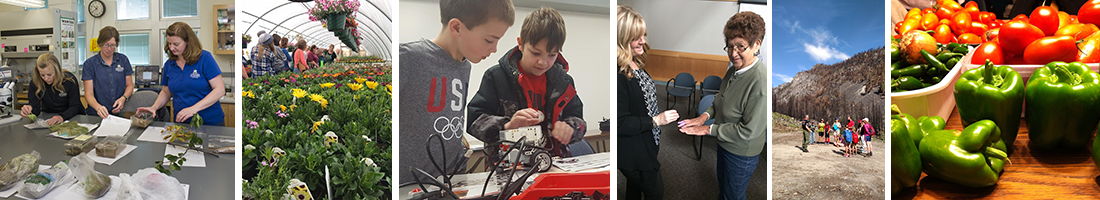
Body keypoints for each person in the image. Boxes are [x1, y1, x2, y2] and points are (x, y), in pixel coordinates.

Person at [397, 0, 514, 185]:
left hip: (452, 181)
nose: (494, 49)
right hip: (408, 185)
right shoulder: (407, 58)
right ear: (457, 27)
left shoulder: (464, 65)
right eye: (489, 40)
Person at [468, 6, 586, 159]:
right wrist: (507, 126)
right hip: (509, 167)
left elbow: (579, 120)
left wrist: (571, 128)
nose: (543, 62)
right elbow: (474, 120)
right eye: (535, 52)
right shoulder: (496, 77)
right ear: (521, 44)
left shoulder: (564, 82)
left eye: (552, 55)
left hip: (556, 163)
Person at [678, 11, 768, 200]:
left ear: (756, 45)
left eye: (740, 47)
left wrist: (706, 129)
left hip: (742, 152)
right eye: (729, 46)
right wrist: (703, 116)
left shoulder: (760, 81)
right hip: (725, 142)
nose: (733, 53)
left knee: (733, 196)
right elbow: (720, 100)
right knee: (724, 188)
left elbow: (748, 131)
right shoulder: (734, 69)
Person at [617, 5, 677, 200]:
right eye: (636, 37)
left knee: (634, 191)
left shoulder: (635, 62)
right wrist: (656, 120)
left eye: (643, 34)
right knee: (656, 192)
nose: (643, 40)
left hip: (646, 143)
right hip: (634, 153)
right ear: (621, 39)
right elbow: (621, 123)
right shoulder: (619, 73)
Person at [137, 22, 225, 126]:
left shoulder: (204, 58)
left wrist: (193, 109)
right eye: (169, 43)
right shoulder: (169, 65)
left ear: (188, 41)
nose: (171, 48)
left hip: (210, 122)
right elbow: (166, 91)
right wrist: (154, 107)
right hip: (182, 123)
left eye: (176, 44)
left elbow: (219, 90)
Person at [82, 26, 134, 118]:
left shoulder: (123, 60)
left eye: (112, 45)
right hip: (96, 114)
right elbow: (88, 93)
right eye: (106, 45)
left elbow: (129, 85)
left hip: (120, 113)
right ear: (100, 44)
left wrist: (123, 98)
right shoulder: (89, 64)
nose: (109, 49)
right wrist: (98, 107)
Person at [22, 53, 82, 125]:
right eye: (42, 75)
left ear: (57, 70)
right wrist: (30, 109)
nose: (46, 78)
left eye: (49, 75)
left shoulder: (69, 80)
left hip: (72, 118)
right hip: (49, 118)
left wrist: (62, 117)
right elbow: (36, 109)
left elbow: (75, 106)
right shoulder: (35, 83)